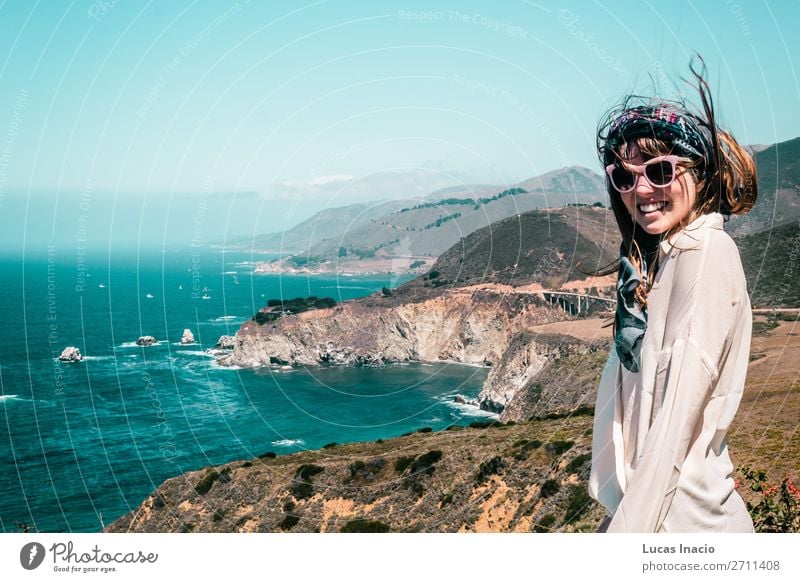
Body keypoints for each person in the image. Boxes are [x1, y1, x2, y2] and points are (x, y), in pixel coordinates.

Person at [588, 59, 758, 533]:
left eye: (660, 170)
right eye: (624, 176)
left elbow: (675, 420)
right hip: (657, 514)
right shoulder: (662, 262)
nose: (641, 189)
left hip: (680, 527)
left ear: (698, 174)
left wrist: (625, 538)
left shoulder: (705, 251)